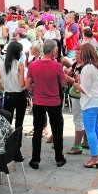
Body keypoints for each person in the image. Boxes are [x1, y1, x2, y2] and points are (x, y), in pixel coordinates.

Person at [71, 44, 98, 169]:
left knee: (90, 130)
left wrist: (73, 83)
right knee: (97, 126)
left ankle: (95, 157)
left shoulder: (87, 69)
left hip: (91, 103)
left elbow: (84, 89)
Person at [25, 39, 68, 170]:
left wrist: (35, 90)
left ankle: (35, 159)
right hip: (54, 102)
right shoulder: (57, 66)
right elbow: (64, 83)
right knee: (57, 129)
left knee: (37, 131)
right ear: (54, 51)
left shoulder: (33, 65)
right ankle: (59, 158)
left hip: (38, 101)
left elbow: (27, 85)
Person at [0, 41, 26, 161]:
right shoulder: (20, 65)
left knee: (7, 123)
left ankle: (7, 148)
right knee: (19, 124)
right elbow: (22, 84)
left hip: (7, 95)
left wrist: (6, 87)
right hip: (19, 96)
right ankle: (17, 150)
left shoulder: (1, 64)